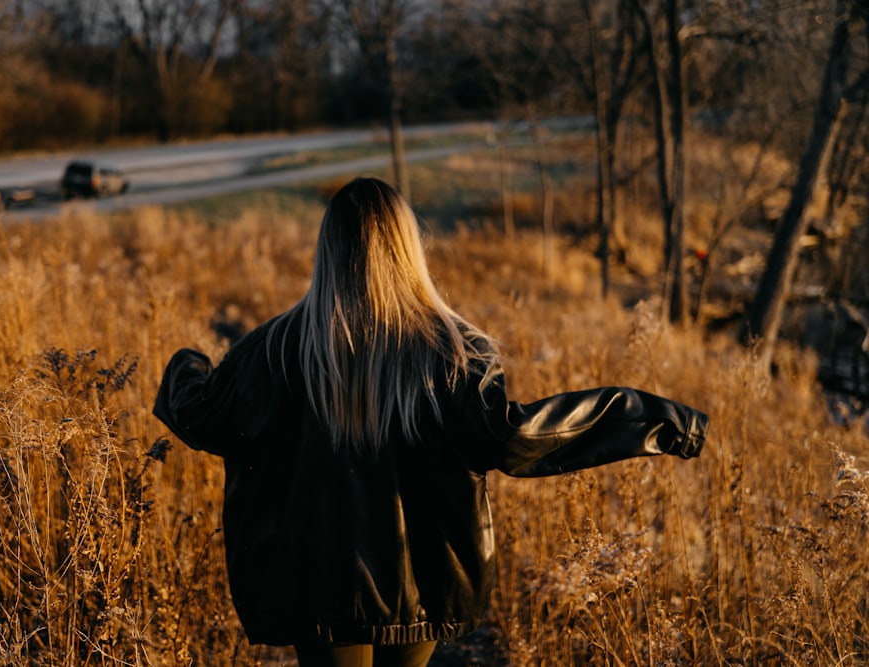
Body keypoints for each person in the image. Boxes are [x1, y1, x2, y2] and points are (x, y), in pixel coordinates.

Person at [154, 177, 708, 667]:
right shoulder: (451, 354)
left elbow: (200, 416)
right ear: (407, 248)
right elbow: (517, 439)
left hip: (315, 588)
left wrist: (189, 362)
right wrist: (655, 418)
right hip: (420, 586)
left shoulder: (273, 350)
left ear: (328, 250)